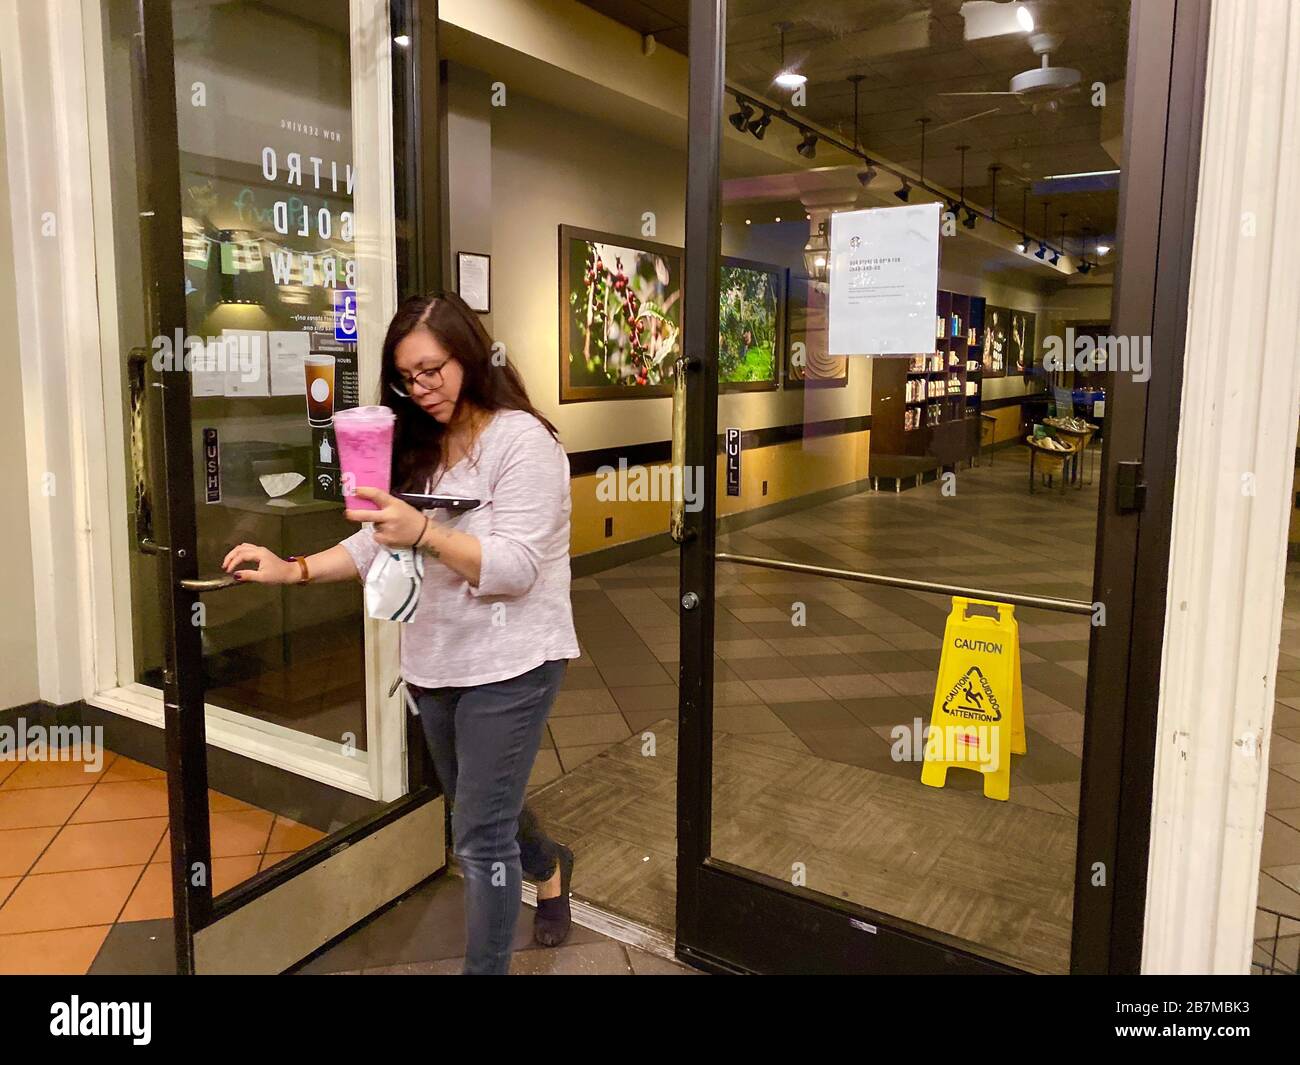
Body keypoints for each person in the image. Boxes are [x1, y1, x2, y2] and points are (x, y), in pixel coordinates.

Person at [221, 292, 581, 975]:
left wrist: (425, 531)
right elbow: (372, 543)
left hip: (513, 662)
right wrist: (290, 568)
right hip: (434, 661)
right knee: (481, 807)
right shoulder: (420, 444)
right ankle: (549, 863)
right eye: (406, 378)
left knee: (476, 839)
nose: (421, 389)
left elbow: (514, 568)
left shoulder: (523, 443)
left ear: (469, 356)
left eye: (432, 370)